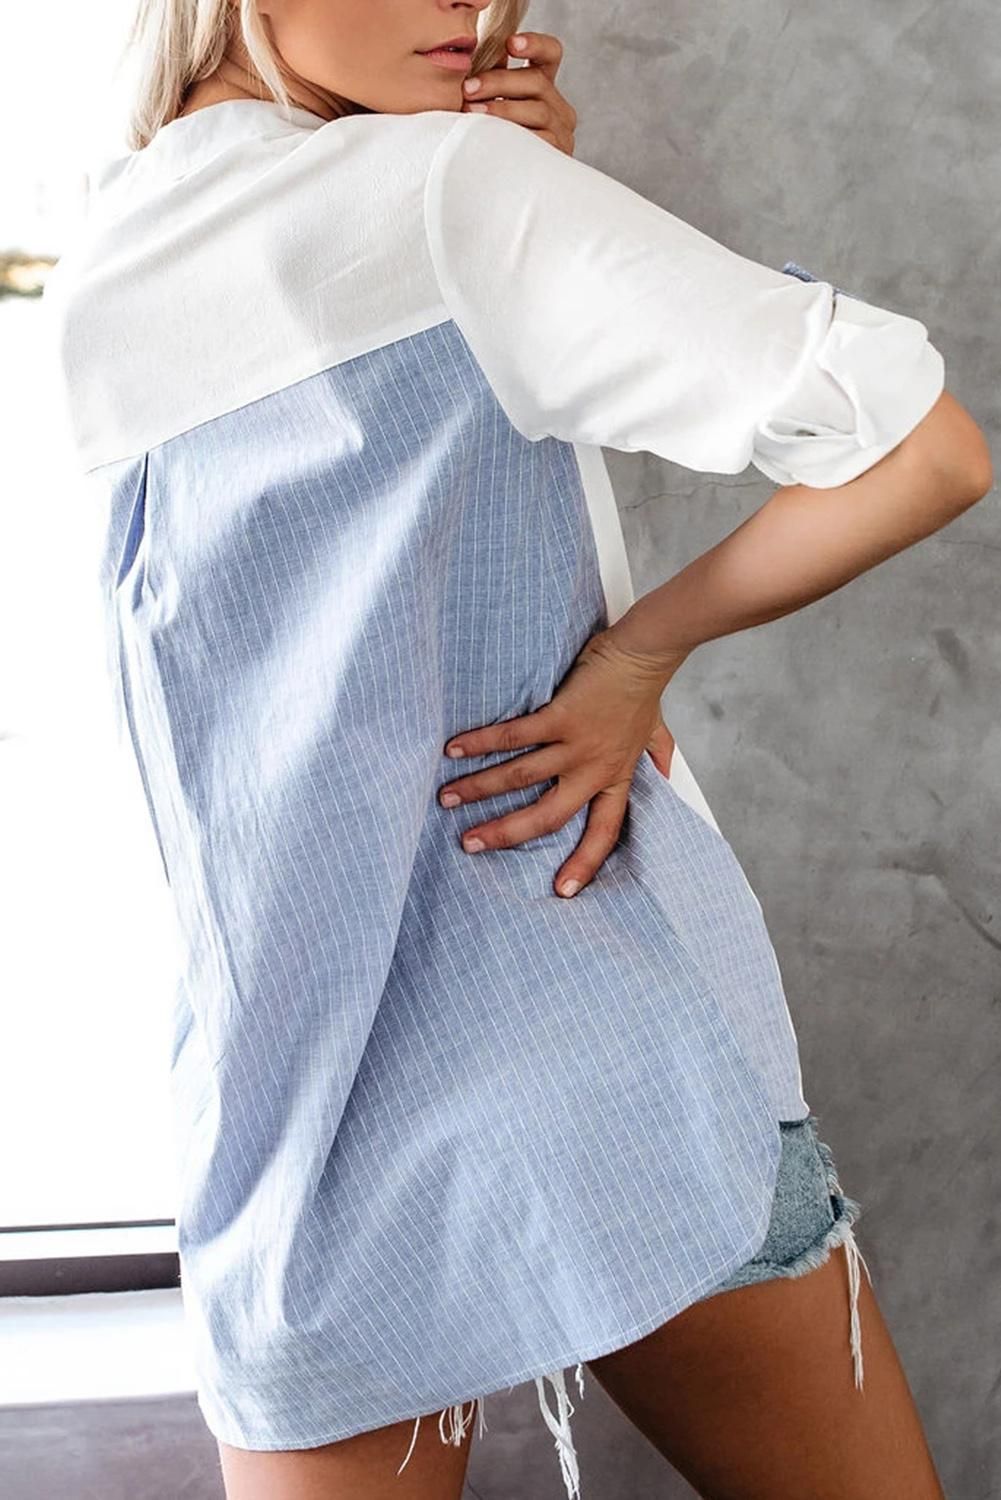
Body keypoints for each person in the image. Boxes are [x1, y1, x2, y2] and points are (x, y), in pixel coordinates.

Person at [41, 1, 992, 1497]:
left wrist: (508, 190)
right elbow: (922, 445)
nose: (472, 5)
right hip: (589, 1013)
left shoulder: (107, 250)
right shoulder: (451, 191)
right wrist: (636, 654)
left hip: (299, 1092)